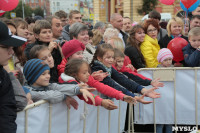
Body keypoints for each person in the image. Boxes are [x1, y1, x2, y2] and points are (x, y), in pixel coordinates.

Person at [58, 39, 136, 104]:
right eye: (78, 54)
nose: (81, 56)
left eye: (82, 53)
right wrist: (102, 102)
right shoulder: (64, 72)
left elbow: (99, 85)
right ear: (69, 56)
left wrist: (121, 95)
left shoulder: (81, 67)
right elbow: (81, 91)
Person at [90, 44, 161, 102]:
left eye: (112, 57)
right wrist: (133, 96)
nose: (111, 60)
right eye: (108, 58)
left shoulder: (108, 67)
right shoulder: (98, 69)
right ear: (99, 58)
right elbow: (113, 85)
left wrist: (142, 90)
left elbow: (123, 79)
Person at [23, 58, 96, 106]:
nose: (48, 76)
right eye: (43, 74)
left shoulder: (48, 85)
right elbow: (52, 96)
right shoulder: (28, 91)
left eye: (48, 73)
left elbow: (60, 87)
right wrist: (65, 96)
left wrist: (79, 89)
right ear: (32, 76)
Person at [0, 21, 26, 133]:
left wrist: (9, 73)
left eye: (12, 47)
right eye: (6, 47)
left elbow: (10, 109)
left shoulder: (3, 75)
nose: (11, 52)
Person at [156, 48, 173, 133]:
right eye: (165, 60)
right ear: (161, 61)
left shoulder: (174, 69)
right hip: (160, 99)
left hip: (170, 99)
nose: (168, 62)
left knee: (170, 121)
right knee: (159, 122)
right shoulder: (156, 70)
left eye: (170, 59)